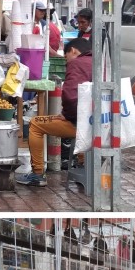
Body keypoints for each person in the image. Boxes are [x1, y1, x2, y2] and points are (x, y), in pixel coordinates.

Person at [16, 38, 92, 187]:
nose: (66, 61)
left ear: (74, 51)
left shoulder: (76, 64)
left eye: (66, 56)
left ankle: (37, 174)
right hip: (102, 124)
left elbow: (70, 96)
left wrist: (68, 115)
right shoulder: (101, 63)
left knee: (35, 124)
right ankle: (83, 164)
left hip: (82, 126)